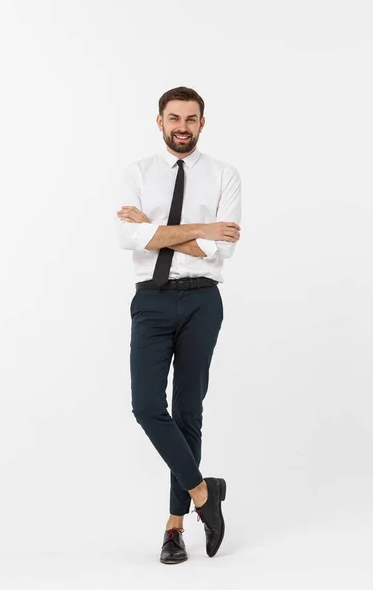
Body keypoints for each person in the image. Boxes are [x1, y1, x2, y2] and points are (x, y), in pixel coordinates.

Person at [116, 86, 242, 564]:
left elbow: (222, 249)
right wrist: (199, 230)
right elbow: (127, 237)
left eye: (191, 119)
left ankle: (174, 528)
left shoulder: (224, 175)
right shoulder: (137, 173)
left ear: (202, 124)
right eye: (174, 118)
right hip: (150, 301)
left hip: (202, 303)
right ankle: (204, 493)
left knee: (188, 411)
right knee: (147, 405)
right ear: (160, 121)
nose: (182, 126)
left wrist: (156, 230)